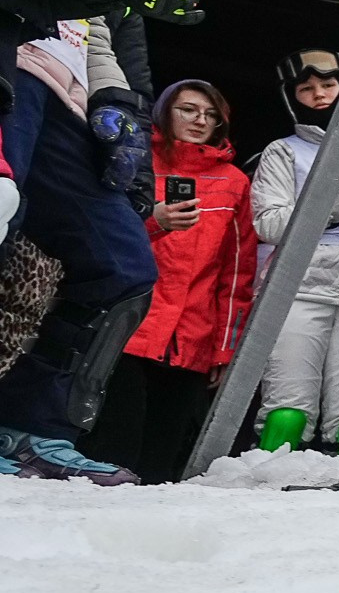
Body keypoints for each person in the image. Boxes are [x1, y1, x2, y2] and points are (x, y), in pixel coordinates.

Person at [0, 0, 207, 479]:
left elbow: (99, 33)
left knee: (121, 263)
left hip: (64, 97)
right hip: (10, 70)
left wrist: (116, 106)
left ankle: (29, 426)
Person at [83, 79, 253, 482]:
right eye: (188, 110)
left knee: (161, 463)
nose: (200, 120)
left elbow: (237, 275)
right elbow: (99, 238)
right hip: (130, 327)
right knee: (112, 451)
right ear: (164, 112)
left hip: (192, 337)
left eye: (211, 115)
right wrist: (154, 221)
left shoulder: (234, 181)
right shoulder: (135, 161)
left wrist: (226, 349)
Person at [247, 50, 339, 453]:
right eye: (306, 88)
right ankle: (269, 481)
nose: (319, 94)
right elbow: (269, 225)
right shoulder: (283, 151)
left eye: (328, 84)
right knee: (288, 410)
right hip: (298, 288)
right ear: (291, 97)